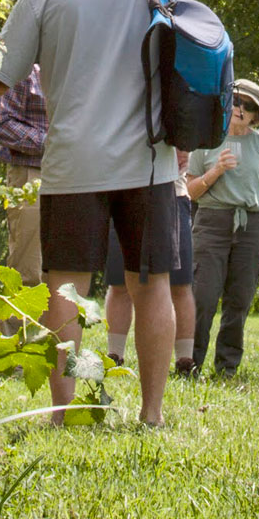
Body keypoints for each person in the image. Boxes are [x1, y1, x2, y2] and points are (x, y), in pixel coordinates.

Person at [0, 0, 180, 426]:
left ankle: (64, 416)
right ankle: (152, 415)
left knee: (67, 290)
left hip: (75, 163)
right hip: (151, 162)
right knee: (152, 287)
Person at [184, 78, 259, 375]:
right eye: (236, 100)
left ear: (256, 114)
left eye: (248, 105)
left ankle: (227, 367)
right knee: (202, 298)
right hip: (212, 223)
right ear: (225, 103)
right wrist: (216, 171)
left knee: (239, 300)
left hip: (251, 227)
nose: (240, 108)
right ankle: (190, 364)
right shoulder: (206, 140)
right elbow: (190, 191)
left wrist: (254, 202)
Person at [102, 147, 197, 375]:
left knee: (180, 284)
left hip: (173, 194)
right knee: (118, 282)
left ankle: (185, 362)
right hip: (122, 190)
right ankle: (115, 356)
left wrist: (184, 148)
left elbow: (186, 143)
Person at [0, 65, 47, 334]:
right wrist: (52, 143)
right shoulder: (24, 70)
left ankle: (46, 350)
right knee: (27, 268)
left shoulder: (75, 67)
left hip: (72, 175)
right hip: (31, 174)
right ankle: (12, 350)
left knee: (60, 273)